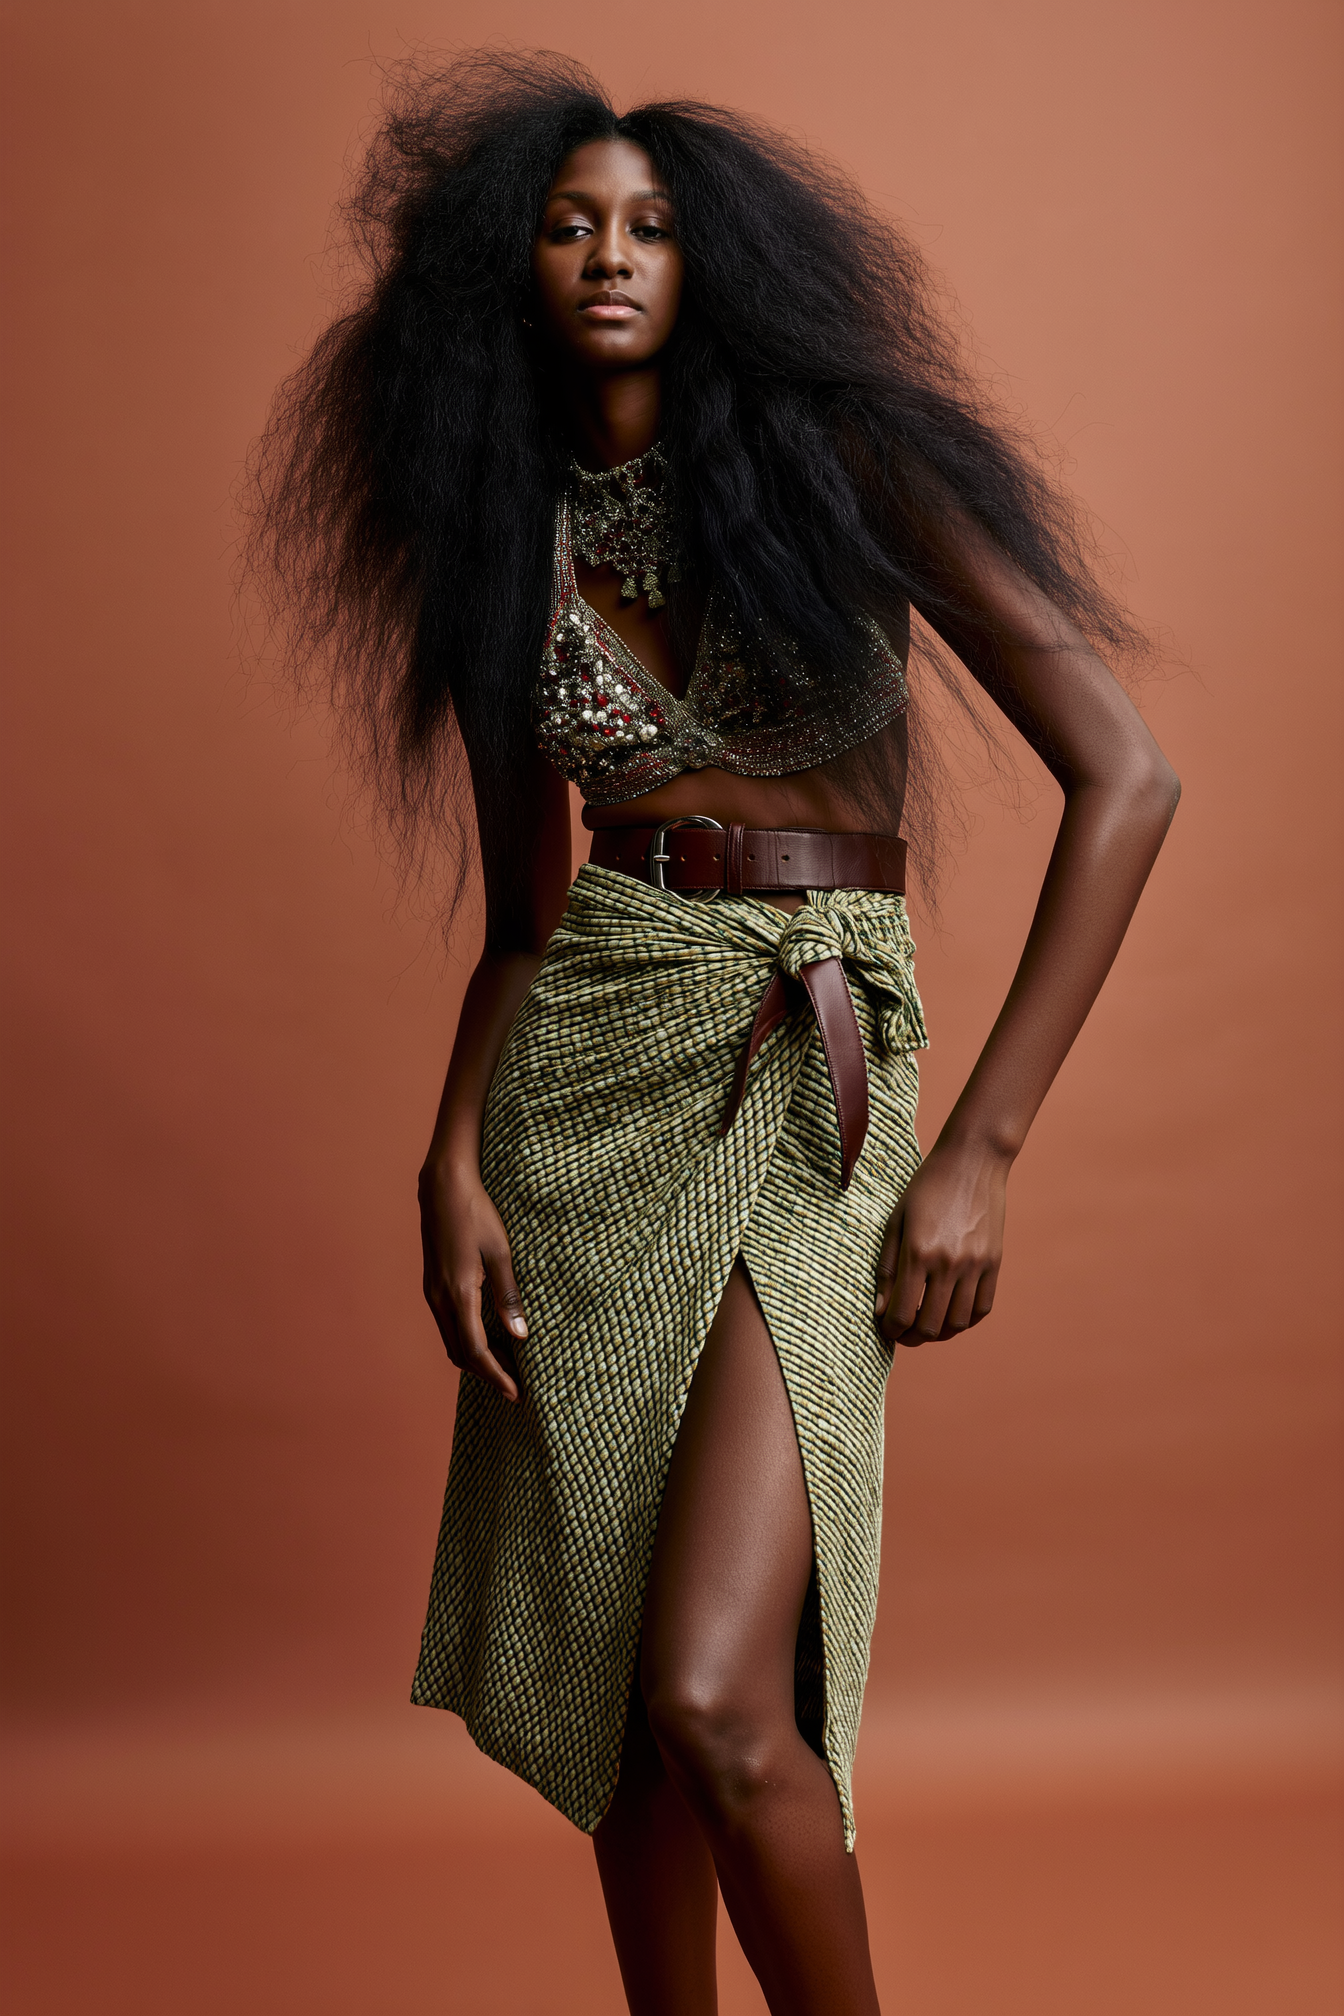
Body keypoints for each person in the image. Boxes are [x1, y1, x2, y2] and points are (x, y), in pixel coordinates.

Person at [249, 51, 1179, 2016]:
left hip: (810, 1060)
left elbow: (1130, 780)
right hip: (584, 1077)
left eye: (651, 226)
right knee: (616, 1688)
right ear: (511, 265)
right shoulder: (504, 544)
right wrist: (446, 1166)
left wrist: (984, 1151)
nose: (608, 254)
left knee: (716, 1693)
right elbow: (518, 925)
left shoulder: (842, 465)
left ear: (713, 264)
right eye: (572, 223)